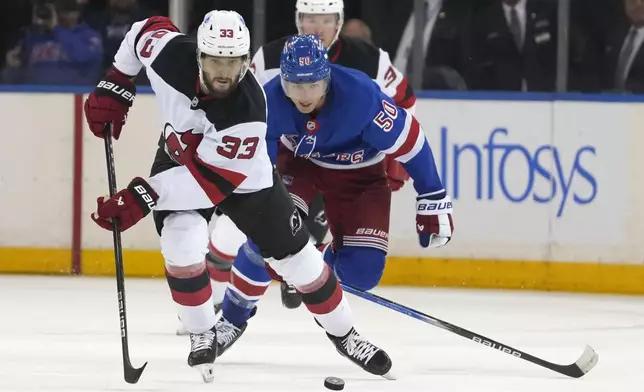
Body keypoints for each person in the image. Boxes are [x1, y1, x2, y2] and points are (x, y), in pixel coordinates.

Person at [84, 11, 393, 382]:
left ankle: (346, 335)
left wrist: (142, 195)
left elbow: (209, 183)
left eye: (234, 62)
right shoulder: (168, 53)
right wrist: (116, 82)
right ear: (198, 54)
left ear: (246, 61)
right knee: (181, 242)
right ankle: (202, 334)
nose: (224, 71)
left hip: (245, 180)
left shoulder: (248, 109)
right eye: (215, 60)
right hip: (179, 155)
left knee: (299, 261)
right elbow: (142, 31)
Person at [213, 34, 454, 361]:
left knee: (363, 274)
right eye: (294, 85)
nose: (303, 95)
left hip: (361, 176)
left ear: (327, 77)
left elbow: (411, 142)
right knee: (267, 237)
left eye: (312, 84)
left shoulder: (361, 97)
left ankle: (307, 265)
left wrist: (432, 195)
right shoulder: (268, 103)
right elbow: (259, 171)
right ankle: (231, 320)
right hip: (299, 165)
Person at [205, 0, 417, 315]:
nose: (317, 28)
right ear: (297, 20)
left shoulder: (370, 61)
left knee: (305, 238)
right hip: (289, 163)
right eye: (308, 19)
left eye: (326, 19)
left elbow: (405, 103)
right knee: (226, 235)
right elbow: (240, 106)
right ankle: (214, 303)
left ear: (339, 22)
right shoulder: (271, 57)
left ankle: (305, 269)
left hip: (345, 165)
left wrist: (397, 160)